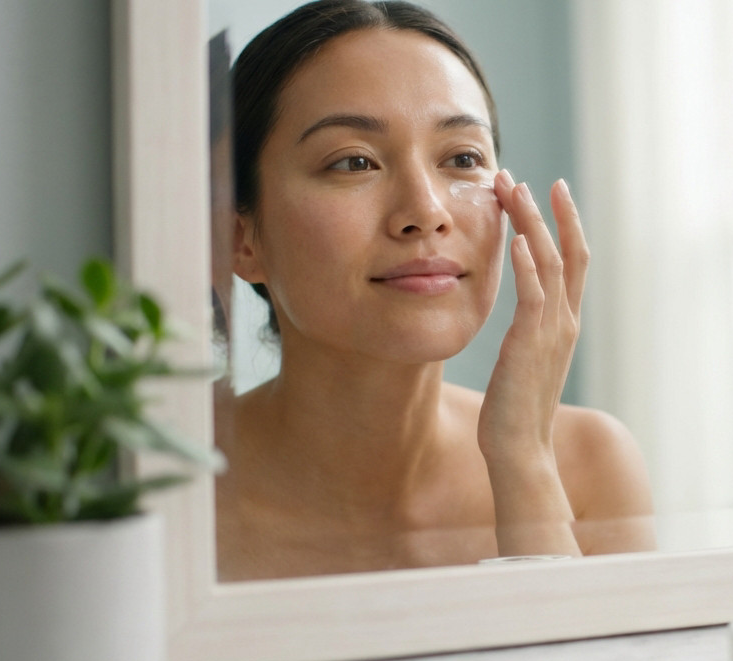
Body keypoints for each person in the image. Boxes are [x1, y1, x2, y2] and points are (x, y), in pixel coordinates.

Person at [215, 0, 656, 580]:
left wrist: (522, 460)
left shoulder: (590, 464)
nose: (425, 211)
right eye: (353, 163)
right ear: (242, 237)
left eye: (462, 158)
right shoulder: (168, 490)